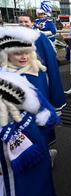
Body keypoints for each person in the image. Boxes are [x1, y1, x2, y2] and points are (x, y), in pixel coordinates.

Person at [0, 71, 59, 196]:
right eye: (17, 53)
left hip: (34, 139)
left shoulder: (25, 76)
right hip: (10, 145)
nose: (23, 57)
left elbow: (44, 106)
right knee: (21, 188)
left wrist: (46, 114)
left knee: (41, 182)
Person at [0, 26, 65, 160]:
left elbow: (43, 99)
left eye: (27, 52)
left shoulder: (37, 71)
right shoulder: (4, 75)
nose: (24, 57)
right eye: (18, 53)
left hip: (35, 126)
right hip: (12, 128)